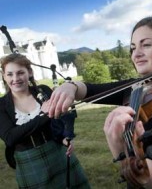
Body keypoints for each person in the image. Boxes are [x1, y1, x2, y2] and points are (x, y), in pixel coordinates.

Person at [48, 16, 152, 188]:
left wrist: (122, 151)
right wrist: (70, 86)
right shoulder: (137, 87)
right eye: (133, 48)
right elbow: (89, 90)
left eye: (146, 44)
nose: (136, 54)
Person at [0, 53, 90, 189]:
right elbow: (11, 137)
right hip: (28, 162)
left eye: (20, 73)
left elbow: (57, 122)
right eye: (10, 74)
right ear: (4, 76)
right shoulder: (1, 105)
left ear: (29, 72)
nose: (15, 78)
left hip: (57, 153)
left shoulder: (43, 91)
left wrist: (63, 138)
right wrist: (43, 115)